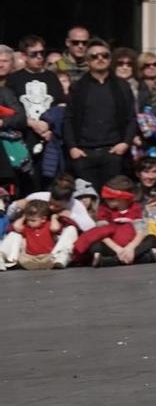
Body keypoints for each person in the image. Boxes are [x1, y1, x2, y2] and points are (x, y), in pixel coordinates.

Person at [60, 39, 136, 189]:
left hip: (114, 153)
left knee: (113, 200)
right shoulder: (78, 87)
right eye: (94, 56)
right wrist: (73, 147)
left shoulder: (122, 86)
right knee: (88, 201)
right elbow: (68, 119)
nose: (100, 59)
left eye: (104, 55)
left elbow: (131, 118)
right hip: (84, 154)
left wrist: (125, 143)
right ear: (88, 60)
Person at [0, 199, 73, 271]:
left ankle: (59, 261)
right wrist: (24, 217)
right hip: (31, 258)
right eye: (28, 220)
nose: (29, 222)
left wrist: (54, 218)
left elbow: (55, 228)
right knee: (14, 234)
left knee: (70, 229)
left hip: (47, 257)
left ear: (43, 219)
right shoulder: (27, 228)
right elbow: (16, 226)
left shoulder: (48, 225)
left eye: (33, 220)